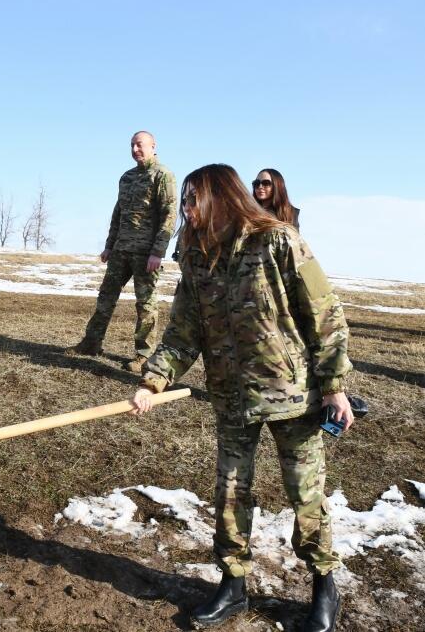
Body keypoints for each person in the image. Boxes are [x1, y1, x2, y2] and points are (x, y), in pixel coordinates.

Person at [131, 164, 352, 632]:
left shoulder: (278, 242)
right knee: (230, 492)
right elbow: (182, 331)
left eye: (192, 200)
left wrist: (333, 386)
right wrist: (154, 380)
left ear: (219, 197)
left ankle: (323, 584)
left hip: (292, 396)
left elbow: (326, 316)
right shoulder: (195, 257)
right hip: (231, 398)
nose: (185, 211)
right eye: (185, 201)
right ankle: (233, 585)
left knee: (304, 493)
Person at [66, 131, 177, 372]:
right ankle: (91, 342)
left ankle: (144, 355)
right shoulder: (126, 178)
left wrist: (158, 251)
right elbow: (119, 213)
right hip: (120, 250)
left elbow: (170, 214)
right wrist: (109, 245)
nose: (136, 149)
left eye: (140, 144)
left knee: (145, 305)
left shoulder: (163, 175)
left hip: (146, 253)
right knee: (106, 297)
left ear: (153, 146)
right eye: (132, 145)